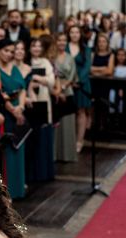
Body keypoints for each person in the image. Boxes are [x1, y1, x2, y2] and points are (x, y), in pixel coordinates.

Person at [0, 39, 28, 199]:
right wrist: (13, 110)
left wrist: (21, 107)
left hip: (18, 112)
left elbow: (23, 89)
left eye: (11, 51)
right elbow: (0, 93)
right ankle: (7, 191)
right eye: (6, 51)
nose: (8, 54)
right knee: (8, 150)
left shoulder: (14, 68)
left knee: (19, 149)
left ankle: (18, 188)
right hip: (7, 114)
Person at [26, 36, 56, 182]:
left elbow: (51, 82)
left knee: (44, 134)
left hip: (44, 101)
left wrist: (37, 78)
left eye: (39, 46)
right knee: (32, 136)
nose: (36, 48)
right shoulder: (26, 62)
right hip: (30, 101)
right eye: (33, 46)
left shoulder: (45, 62)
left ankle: (44, 173)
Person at [53, 32, 78, 162]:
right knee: (56, 126)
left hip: (67, 93)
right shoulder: (51, 57)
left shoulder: (70, 58)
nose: (61, 43)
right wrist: (57, 90)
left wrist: (62, 88)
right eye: (59, 40)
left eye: (64, 40)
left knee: (67, 125)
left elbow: (72, 77)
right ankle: (54, 155)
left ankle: (68, 155)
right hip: (54, 94)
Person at [68, 25, 92, 153]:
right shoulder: (64, 47)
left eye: (77, 32)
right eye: (72, 32)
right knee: (68, 113)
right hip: (66, 84)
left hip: (81, 84)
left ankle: (79, 140)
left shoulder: (85, 49)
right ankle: (69, 140)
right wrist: (68, 82)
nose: (74, 34)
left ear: (80, 34)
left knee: (81, 112)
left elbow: (87, 67)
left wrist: (77, 81)